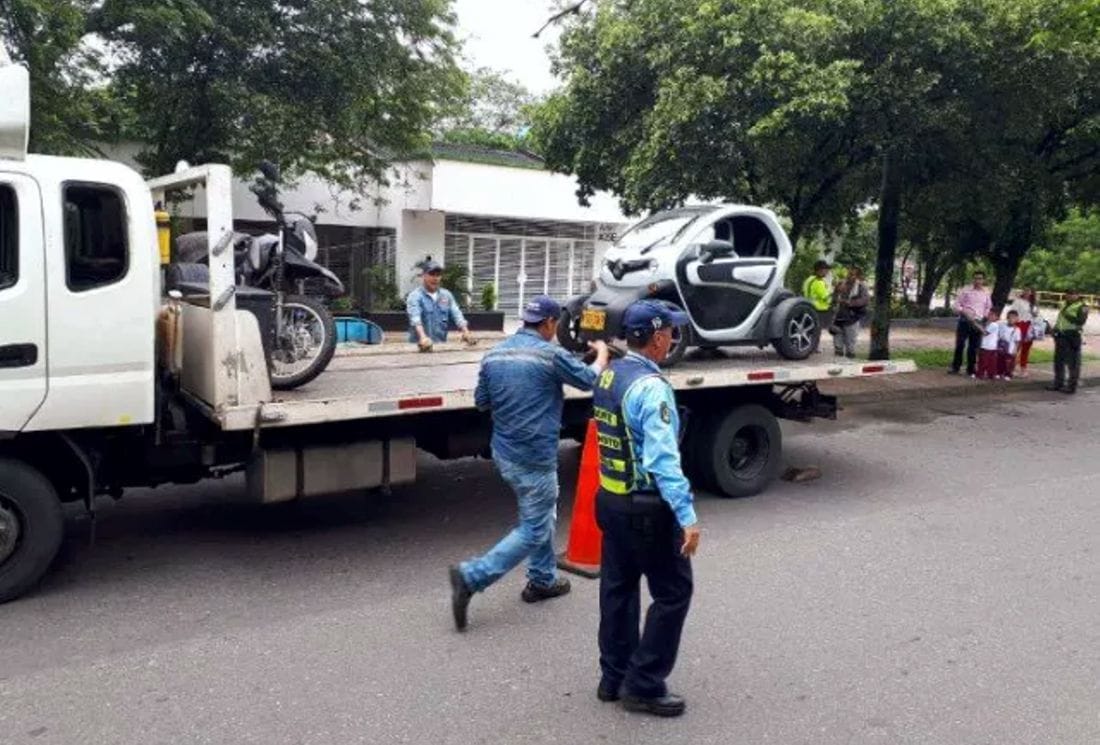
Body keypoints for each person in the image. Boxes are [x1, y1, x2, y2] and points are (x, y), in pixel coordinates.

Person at [449, 295, 610, 631]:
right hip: (535, 456)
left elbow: (482, 402)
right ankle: (471, 576)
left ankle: (542, 579)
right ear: (550, 323)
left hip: (505, 454)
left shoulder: (494, 354)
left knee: (539, 514)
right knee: (535, 526)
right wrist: (602, 356)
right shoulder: (551, 354)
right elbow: (588, 380)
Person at [592, 300, 700, 718]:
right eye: (671, 331)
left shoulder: (609, 375)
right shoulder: (651, 388)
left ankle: (613, 677)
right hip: (648, 509)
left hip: (610, 500)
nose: (674, 337)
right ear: (657, 338)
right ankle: (644, 684)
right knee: (673, 593)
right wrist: (687, 516)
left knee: (618, 589)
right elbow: (662, 460)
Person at [406, 260, 471, 351]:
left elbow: (457, 314)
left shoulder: (446, 295)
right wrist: (423, 337)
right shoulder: (415, 296)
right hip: (417, 348)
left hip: (440, 347)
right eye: (432, 274)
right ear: (424, 275)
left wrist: (465, 331)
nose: (435, 278)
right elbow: (415, 319)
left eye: (438, 275)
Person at [949, 271, 992, 376]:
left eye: (980, 278)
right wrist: (964, 312)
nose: (978, 281)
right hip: (964, 320)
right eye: (976, 278)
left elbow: (988, 306)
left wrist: (984, 317)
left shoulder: (986, 292)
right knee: (960, 344)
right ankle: (956, 367)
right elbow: (956, 305)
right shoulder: (966, 291)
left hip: (977, 322)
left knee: (973, 347)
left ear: (983, 280)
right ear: (973, 279)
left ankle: (971, 369)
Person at [1047, 291, 1090, 394]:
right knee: (1059, 361)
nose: (1069, 296)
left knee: (1073, 363)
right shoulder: (1064, 304)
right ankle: (1058, 383)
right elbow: (1060, 319)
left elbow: (1081, 321)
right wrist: (1054, 329)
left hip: (1072, 336)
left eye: (1072, 294)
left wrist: (1066, 314)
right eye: (1068, 294)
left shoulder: (1082, 306)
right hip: (1061, 336)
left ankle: (1071, 386)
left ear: (1077, 295)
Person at [831, 266, 870, 358]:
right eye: (848, 273)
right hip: (839, 315)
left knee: (850, 338)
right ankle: (838, 353)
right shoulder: (841, 283)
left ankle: (850, 355)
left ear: (857, 276)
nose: (849, 276)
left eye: (852, 274)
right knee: (837, 335)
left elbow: (865, 300)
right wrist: (837, 292)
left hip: (852, 316)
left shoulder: (861, 286)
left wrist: (850, 303)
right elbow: (833, 298)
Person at [802, 260, 832, 353]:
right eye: (825, 270)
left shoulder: (809, 279)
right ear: (819, 270)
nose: (827, 272)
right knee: (817, 330)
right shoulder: (819, 282)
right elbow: (825, 297)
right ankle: (814, 348)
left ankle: (806, 346)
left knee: (808, 329)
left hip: (808, 307)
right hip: (819, 309)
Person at [1009, 289, 1040, 377]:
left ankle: (1023, 369)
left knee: (1026, 349)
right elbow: (1012, 313)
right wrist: (1012, 324)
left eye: (1029, 291)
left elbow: (1037, 315)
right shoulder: (1018, 301)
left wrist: (1036, 312)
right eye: (1025, 290)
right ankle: (1011, 368)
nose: (1027, 292)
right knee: (1016, 348)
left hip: (1030, 326)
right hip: (1020, 325)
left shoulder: (1033, 303)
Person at [976, 308, 1001, 381]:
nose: (990, 316)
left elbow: (985, 333)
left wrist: (976, 325)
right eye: (989, 314)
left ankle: (984, 374)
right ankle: (987, 374)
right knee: (987, 361)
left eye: (992, 315)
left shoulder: (994, 325)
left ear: (997, 317)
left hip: (988, 347)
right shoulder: (988, 324)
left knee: (987, 362)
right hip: (987, 346)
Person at [999, 310, 1022, 380]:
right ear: (1007, 318)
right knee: (1001, 361)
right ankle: (1000, 373)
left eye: (1014, 318)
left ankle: (1008, 374)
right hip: (1002, 348)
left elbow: (1017, 341)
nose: (1011, 319)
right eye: (1010, 317)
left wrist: (1015, 350)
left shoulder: (1017, 330)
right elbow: (1000, 336)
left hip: (1011, 349)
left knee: (1009, 363)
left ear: (1017, 319)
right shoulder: (1003, 326)